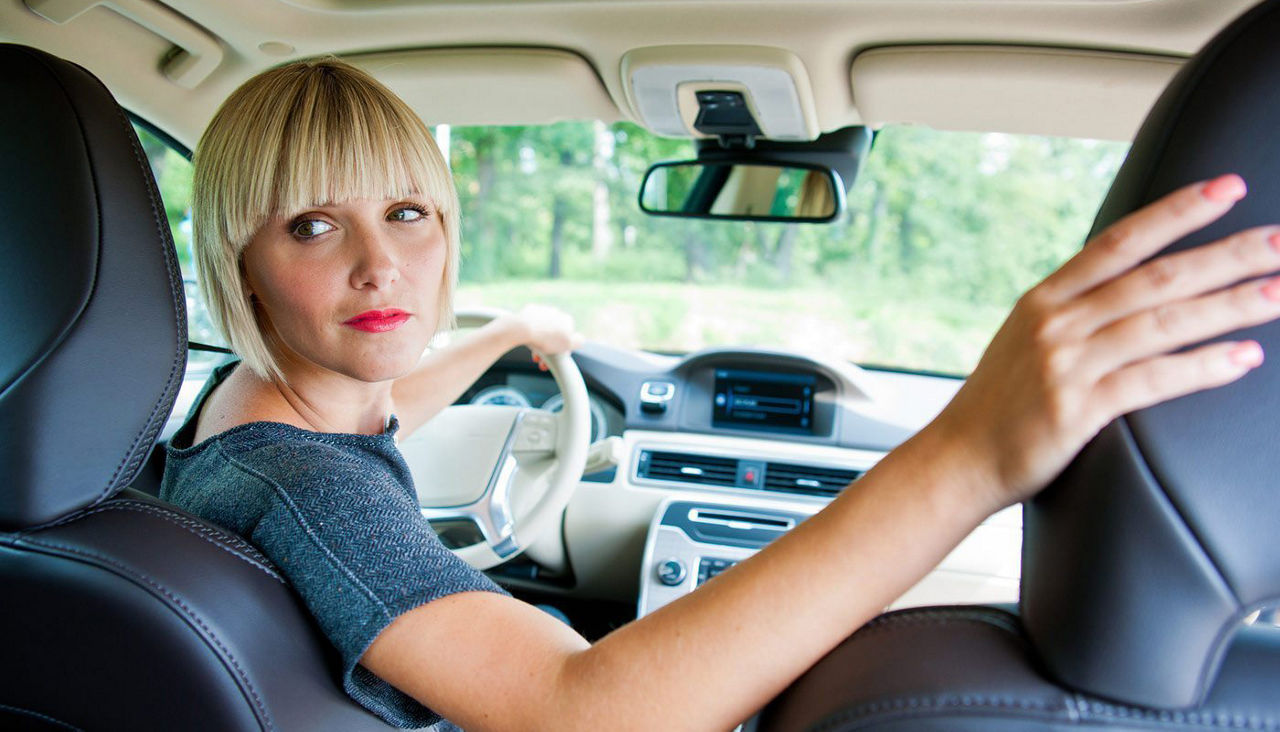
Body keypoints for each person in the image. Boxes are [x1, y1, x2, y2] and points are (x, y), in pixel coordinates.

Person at [160, 58, 1280, 731]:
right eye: (314, 225)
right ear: (239, 258)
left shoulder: (244, 411)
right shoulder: (307, 491)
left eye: (406, 213)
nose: (380, 267)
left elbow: (383, 408)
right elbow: (580, 713)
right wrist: (974, 447)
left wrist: (499, 337)